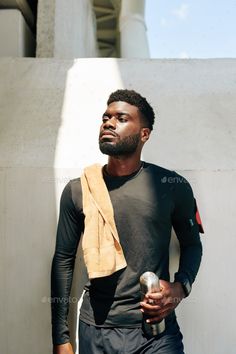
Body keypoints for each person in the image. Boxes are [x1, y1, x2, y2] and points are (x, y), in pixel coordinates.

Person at [51, 89, 203, 354]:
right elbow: (63, 259)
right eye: (105, 117)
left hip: (157, 332)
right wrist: (61, 338)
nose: (108, 123)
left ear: (144, 134)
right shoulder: (80, 190)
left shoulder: (172, 186)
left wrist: (179, 289)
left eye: (121, 118)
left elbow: (192, 245)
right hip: (96, 330)